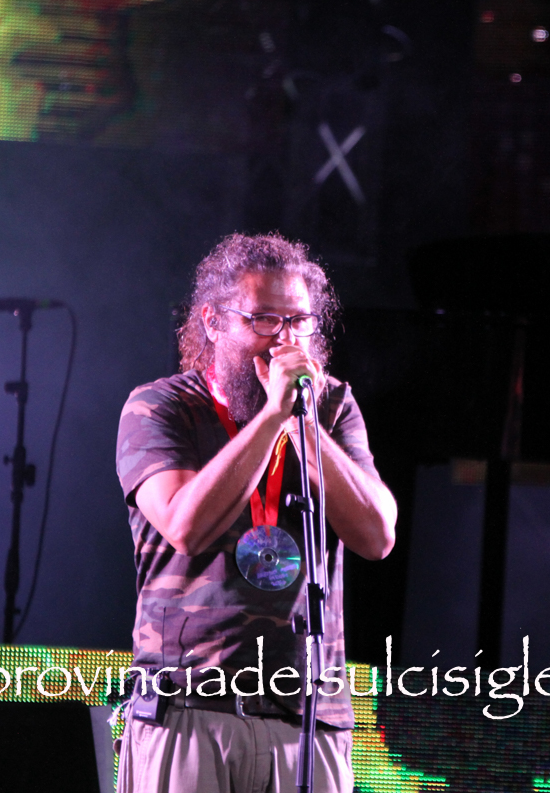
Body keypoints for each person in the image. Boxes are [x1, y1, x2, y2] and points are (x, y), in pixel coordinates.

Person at [115, 233, 397, 793]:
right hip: (190, 705)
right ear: (214, 322)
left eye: (300, 322)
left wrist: (301, 424)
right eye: (264, 320)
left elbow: (377, 536)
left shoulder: (331, 407)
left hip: (309, 715)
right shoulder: (161, 405)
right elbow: (184, 526)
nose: (285, 339)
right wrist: (272, 417)